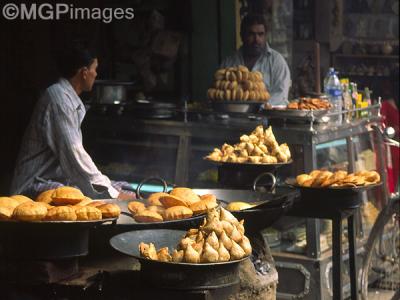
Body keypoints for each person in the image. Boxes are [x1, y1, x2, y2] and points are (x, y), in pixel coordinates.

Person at [10, 43, 133, 199]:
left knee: (123, 186)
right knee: (101, 195)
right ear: (84, 72)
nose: (96, 74)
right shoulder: (58, 100)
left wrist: (113, 188)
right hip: (31, 186)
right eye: (94, 69)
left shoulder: (67, 97)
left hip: (55, 180)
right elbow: (74, 155)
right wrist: (114, 194)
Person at [220, 14, 291, 106]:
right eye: (251, 34)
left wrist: (256, 109)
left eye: (260, 34)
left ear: (266, 36)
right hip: (234, 117)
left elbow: (281, 96)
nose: (256, 39)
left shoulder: (276, 62)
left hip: (268, 118)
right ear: (242, 35)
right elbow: (220, 94)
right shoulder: (229, 62)